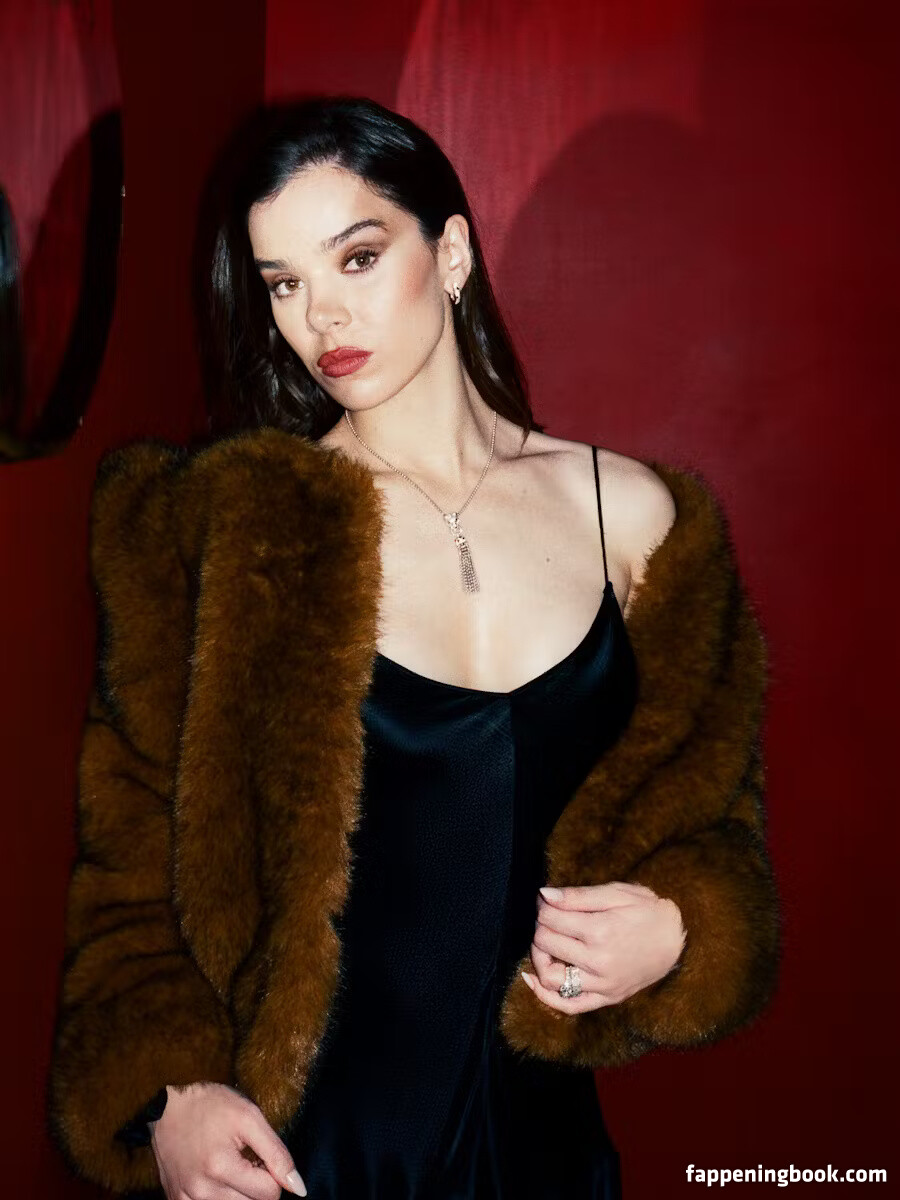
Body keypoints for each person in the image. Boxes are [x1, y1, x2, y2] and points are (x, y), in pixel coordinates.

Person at [47, 97, 781, 1200]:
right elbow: (129, 858)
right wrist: (168, 1097)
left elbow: (720, 824)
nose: (319, 316)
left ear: (451, 253)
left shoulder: (634, 520)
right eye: (283, 283)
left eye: (356, 257)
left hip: (548, 1153)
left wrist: (682, 928)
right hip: (304, 1158)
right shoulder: (225, 531)